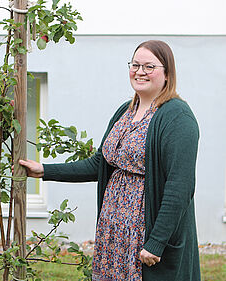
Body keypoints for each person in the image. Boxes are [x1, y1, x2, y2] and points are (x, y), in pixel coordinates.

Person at [19, 40, 200, 281]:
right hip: (114, 234)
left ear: (167, 74)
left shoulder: (178, 117)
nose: (140, 72)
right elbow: (99, 163)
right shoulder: (125, 111)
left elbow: (180, 186)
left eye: (149, 66)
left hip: (144, 236)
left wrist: (157, 242)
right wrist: (43, 170)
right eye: (135, 65)